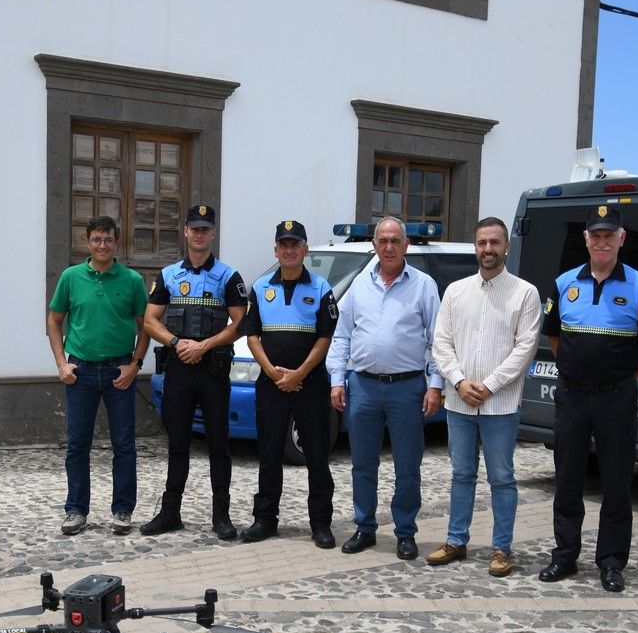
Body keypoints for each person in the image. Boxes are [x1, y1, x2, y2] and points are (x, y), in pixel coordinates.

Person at [537, 205, 638, 593]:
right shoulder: (564, 283)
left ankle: (611, 561)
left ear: (621, 239)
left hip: (616, 398)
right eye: (596, 235)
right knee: (567, 478)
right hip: (572, 395)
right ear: (586, 239)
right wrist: (576, 368)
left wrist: (623, 376)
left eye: (609, 235)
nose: (602, 242)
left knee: (617, 481)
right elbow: (553, 336)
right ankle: (564, 555)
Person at [429, 217, 541, 576]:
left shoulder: (525, 293)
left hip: (500, 405)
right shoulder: (455, 291)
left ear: (507, 246)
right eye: (482, 243)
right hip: (459, 402)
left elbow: (525, 348)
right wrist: (460, 382)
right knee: (461, 474)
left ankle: (502, 548)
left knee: (502, 478)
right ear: (475, 247)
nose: (488, 249)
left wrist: (490, 385)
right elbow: (441, 343)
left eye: (495, 242)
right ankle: (456, 540)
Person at [327, 217, 443, 561]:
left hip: (407, 388)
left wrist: (436, 385)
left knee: (407, 466)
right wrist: (337, 379)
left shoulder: (423, 285)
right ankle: (365, 527)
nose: (389, 247)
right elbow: (342, 335)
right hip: (362, 386)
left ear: (406, 245)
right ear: (374, 245)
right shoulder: (359, 285)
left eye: (395, 241)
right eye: (383, 241)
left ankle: (405, 532)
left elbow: (438, 340)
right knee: (362, 464)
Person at [138, 204, 247, 540]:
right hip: (179, 370)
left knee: (218, 445)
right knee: (178, 443)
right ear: (185, 231)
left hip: (213, 370)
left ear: (212, 233)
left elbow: (241, 323)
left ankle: (221, 516)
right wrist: (176, 342)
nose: (199, 234)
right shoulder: (169, 275)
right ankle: (170, 513)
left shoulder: (229, 277)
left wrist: (205, 345)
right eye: (194, 228)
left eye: (205, 229)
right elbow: (149, 320)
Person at [47, 215, 148, 536]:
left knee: (124, 445)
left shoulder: (132, 280)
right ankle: (76, 510)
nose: (102, 245)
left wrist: (135, 365)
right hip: (81, 372)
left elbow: (146, 326)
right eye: (96, 239)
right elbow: (54, 320)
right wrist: (61, 363)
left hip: (120, 371)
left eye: (108, 239)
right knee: (77, 445)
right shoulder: (70, 277)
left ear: (117, 242)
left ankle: (123, 510)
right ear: (87, 242)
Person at [239, 219, 338, 549]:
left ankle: (320, 523)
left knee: (317, 456)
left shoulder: (321, 288)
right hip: (271, 385)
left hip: (310, 385)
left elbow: (325, 338)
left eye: (295, 244)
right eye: (284, 244)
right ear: (276, 250)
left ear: (305, 250)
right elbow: (252, 336)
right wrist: (272, 372)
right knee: (269, 454)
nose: (289, 250)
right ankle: (265, 519)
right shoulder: (260, 287)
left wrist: (299, 374)